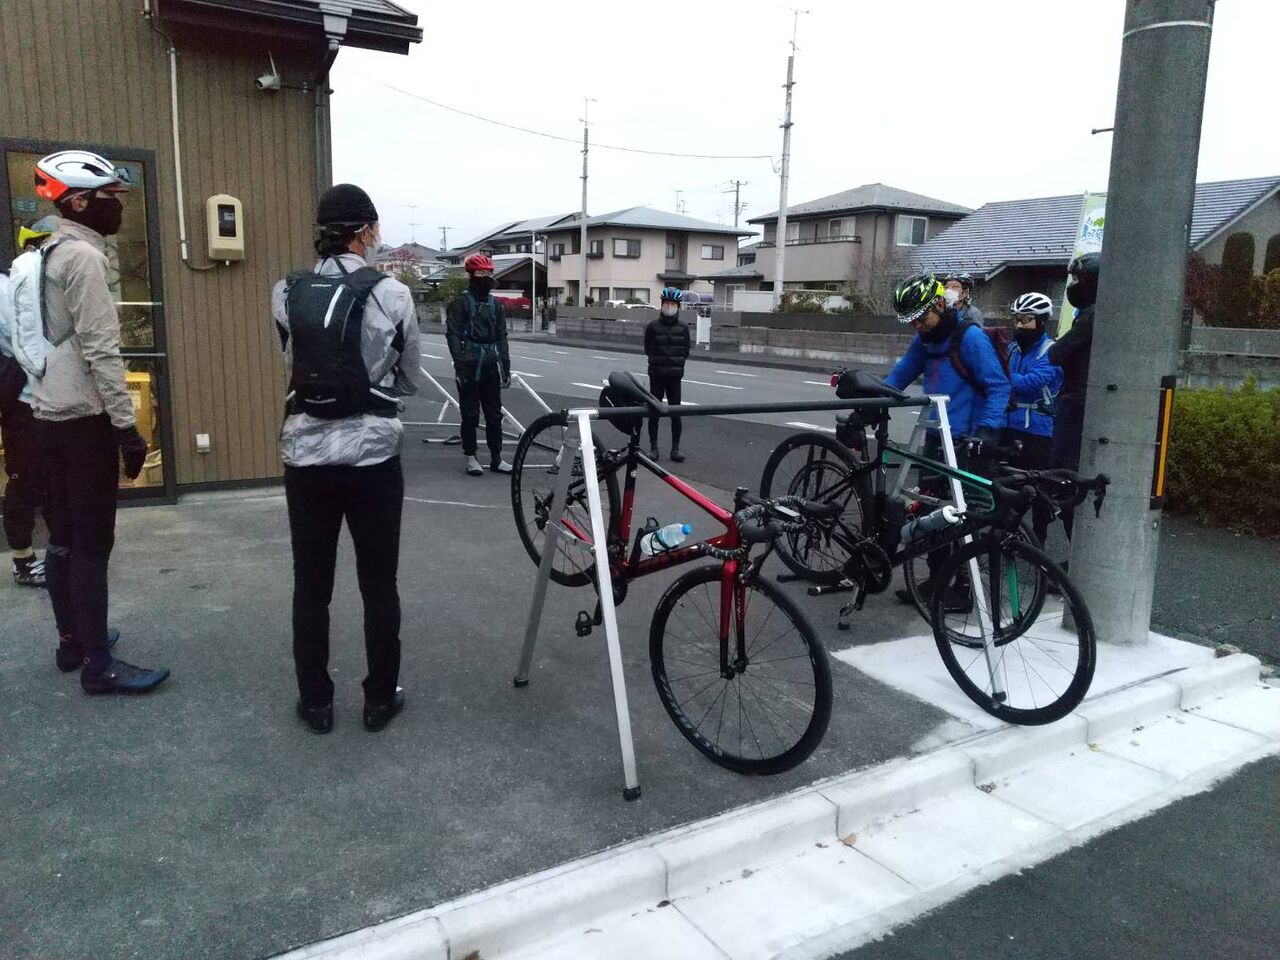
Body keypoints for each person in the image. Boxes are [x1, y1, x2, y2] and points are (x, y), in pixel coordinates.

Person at [272, 183, 419, 733]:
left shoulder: (286, 290)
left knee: (311, 585)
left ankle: (315, 702)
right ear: (365, 232)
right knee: (379, 584)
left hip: (305, 455)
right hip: (372, 457)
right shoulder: (393, 294)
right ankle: (379, 698)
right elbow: (409, 375)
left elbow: (291, 359)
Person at [29, 149, 166, 691]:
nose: (119, 207)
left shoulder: (43, 251)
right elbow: (102, 350)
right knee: (92, 543)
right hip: (84, 419)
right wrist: (126, 428)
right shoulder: (83, 258)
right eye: (111, 197)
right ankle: (99, 665)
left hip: (45, 413)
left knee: (61, 537)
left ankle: (73, 642)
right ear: (80, 202)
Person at [884, 273, 1010, 606]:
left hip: (968, 441)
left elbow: (998, 386)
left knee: (966, 517)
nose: (918, 326)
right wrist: (871, 399)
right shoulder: (925, 339)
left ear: (940, 304)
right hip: (935, 434)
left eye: (921, 318)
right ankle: (937, 580)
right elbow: (900, 375)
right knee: (931, 511)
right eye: (911, 321)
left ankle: (966, 590)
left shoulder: (970, 337)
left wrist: (987, 431)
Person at [1, 217, 58, 587]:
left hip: (52, 397)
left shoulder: (48, 282)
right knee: (24, 480)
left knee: (53, 478)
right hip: (22, 401)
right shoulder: (6, 285)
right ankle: (23, 560)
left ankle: (59, 551)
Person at [1005, 292, 1064, 545]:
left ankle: (1039, 541)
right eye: (1017, 319)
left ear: (1040, 322)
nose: (1019, 325)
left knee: (1039, 489)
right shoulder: (1013, 349)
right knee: (1008, 487)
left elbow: (1031, 383)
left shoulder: (1052, 352)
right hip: (1010, 427)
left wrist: (1002, 378)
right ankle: (1007, 536)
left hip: (1039, 431)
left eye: (1025, 320)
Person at [1048, 252, 1099, 543]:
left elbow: (1057, 353)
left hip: (1076, 402)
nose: (1073, 285)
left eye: (1079, 279)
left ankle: (1077, 551)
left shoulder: (1091, 316)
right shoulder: (1095, 314)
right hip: (1081, 400)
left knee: (1065, 477)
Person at [446, 253, 511, 476]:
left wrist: (506, 366)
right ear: (471, 275)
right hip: (469, 365)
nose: (486, 277)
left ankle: (496, 458)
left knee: (494, 414)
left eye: (489, 273)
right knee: (470, 413)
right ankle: (471, 456)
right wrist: (460, 363)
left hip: (490, 364)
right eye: (481, 273)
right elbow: (453, 334)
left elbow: (502, 336)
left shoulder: (496, 305)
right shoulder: (460, 303)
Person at [643, 287, 691, 462]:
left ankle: (675, 449)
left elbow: (686, 351)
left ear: (678, 306)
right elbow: (647, 349)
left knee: (675, 413)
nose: (669, 307)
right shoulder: (652, 327)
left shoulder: (683, 328)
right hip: (656, 375)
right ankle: (653, 448)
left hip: (675, 376)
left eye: (673, 304)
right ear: (662, 304)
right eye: (667, 303)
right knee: (654, 412)